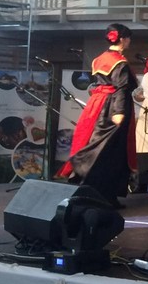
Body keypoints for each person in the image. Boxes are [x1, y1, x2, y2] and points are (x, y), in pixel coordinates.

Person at [58, 23, 137, 206]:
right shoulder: (119, 62)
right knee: (111, 152)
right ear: (122, 39)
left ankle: (98, 193)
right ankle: (103, 196)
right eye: (128, 38)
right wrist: (119, 112)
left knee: (96, 145)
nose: (129, 41)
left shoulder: (100, 59)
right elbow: (120, 88)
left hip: (97, 105)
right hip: (113, 107)